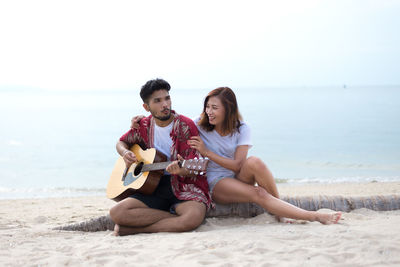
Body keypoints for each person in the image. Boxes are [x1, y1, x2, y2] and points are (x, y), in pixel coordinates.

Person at [187, 87, 341, 224]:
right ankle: (313, 216)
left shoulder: (242, 128)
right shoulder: (198, 125)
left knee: (255, 161)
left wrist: (206, 152)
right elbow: (177, 127)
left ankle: (279, 211)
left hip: (236, 176)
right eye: (207, 107)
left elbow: (238, 165)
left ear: (228, 109)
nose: (209, 112)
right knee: (259, 192)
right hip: (216, 182)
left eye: (214, 108)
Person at [109, 78, 212, 236]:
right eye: (157, 101)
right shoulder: (143, 125)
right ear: (146, 106)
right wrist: (125, 153)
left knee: (192, 217)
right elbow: (121, 142)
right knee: (117, 212)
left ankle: (137, 228)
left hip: (183, 185)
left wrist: (181, 171)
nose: (165, 104)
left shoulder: (186, 125)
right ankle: (173, 218)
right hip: (152, 187)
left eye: (167, 98)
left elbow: (195, 168)